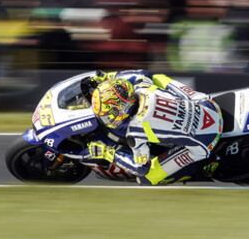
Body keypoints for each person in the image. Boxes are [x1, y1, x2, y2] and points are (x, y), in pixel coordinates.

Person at [85, 70, 223, 185]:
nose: (108, 118)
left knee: (146, 178)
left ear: (122, 108)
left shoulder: (134, 132)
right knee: (158, 78)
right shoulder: (142, 87)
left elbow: (141, 168)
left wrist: (108, 152)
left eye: (109, 114)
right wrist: (108, 77)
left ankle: (199, 169)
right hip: (209, 105)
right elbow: (141, 73)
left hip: (206, 141)